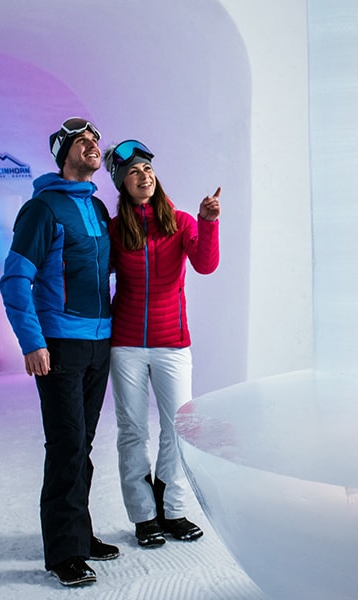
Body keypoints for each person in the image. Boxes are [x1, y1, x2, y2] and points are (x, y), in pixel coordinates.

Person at [0, 117, 120, 587]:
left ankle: (80, 534)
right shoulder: (42, 209)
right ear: (63, 154)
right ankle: (64, 552)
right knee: (67, 444)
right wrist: (33, 342)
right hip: (61, 344)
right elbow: (15, 279)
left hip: (99, 342)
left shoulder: (98, 208)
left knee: (82, 443)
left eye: (95, 140)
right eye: (82, 140)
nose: (93, 144)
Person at [103, 139, 220, 548]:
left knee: (180, 427)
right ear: (122, 183)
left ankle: (173, 509)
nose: (144, 176)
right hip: (126, 344)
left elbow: (205, 264)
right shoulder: (116, 229)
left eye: (148, 169)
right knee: (133, 431)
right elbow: (96, 273)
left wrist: (208, 222)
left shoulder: (181, 222)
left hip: (172, 342)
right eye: (134, 172)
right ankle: (144, 515)